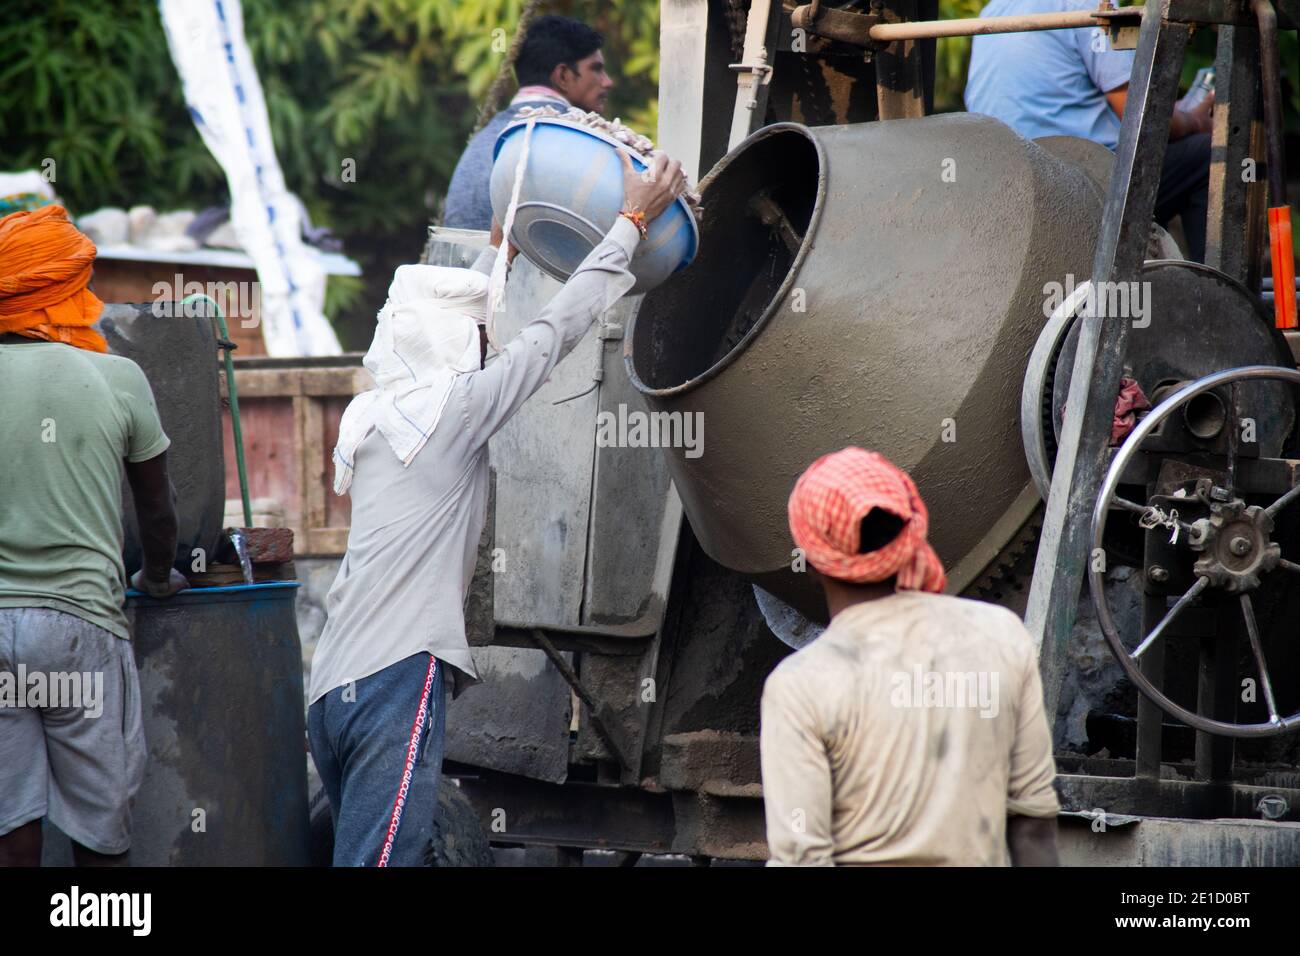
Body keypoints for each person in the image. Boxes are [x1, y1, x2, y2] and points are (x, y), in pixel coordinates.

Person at [308, 150, 686, 867]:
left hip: (331, 687)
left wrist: (497, 261)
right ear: (455, 345)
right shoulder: (457, 412)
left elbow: (454, 335)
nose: (490, 346)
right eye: (479, 337)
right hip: (396, 676)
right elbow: (556, 334)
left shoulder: (374, 417)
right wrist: (631, 221)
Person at [760, 447, 1060, 866]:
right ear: (911, 532)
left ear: (812, 561)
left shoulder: (801, 684)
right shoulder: (1001, 635)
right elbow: (1033, 824)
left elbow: (801, 859)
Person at [0, 204, 188, 868]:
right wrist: (156, 577)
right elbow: (157, 511)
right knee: (99, 825)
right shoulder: (118, 378)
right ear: (63, 291)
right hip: (80, 626)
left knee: (11, 817)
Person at [964, 0, 1214, 261]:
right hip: (1079, 180)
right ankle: (1215, 292)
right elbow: (1142, 118)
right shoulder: (1089, 3)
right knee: (1206, 158)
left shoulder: (995, 9)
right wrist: (1196, 121)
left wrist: (1177, 112)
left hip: (1006, 176)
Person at [442, 15, 614, 230]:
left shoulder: (486, 137)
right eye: (596, 69)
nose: (608, 81)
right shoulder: (573, 141)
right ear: (563, 76)